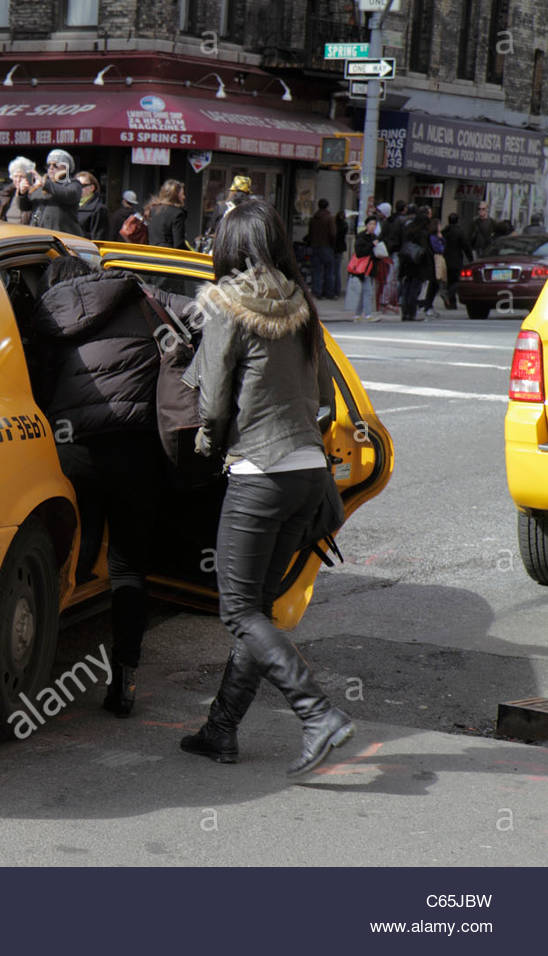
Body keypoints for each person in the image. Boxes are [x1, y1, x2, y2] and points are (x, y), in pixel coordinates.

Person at [181, 198, 354, 777]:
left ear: (230, 246)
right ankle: (221, 729)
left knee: (238, 613)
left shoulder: (224, 303)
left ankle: (317, 713)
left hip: (259, 474)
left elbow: (209, 401)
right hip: (309, 474)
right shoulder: (303, 304)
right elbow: (326, 397)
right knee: (257, 612)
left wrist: (208, 444)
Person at [31, 256, 190, 718]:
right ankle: (124, 680)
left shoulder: (46, 318)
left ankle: (38, 669)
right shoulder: (141, 298)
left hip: (68, 451)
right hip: (133, 454)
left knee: (60, 560)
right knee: (127, 568)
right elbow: (205, 317)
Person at [18, 148, 83, 235]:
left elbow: (69, 194)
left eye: (56, 165)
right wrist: (23, 193)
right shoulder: (42, 184)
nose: (51, 168)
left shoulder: (73, 183)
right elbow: (25, 207)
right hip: (40, 235)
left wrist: (45, 184)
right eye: (48, 165)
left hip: (62, 237)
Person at [345, 214, 381, 323]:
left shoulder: (374, 237)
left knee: (364, 292)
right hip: (363, 269)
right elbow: (360, 252)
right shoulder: (361, 237)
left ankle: (357, 315)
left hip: (370, 267)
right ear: (366, 225)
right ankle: (368, 315)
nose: (372, 226)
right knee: (368, 292)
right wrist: (372, 245)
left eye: (374, 224)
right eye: (370, 224)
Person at [398, 209, 432, 321]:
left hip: (407, 263)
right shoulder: (423, 234)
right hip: (418, 264)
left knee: (407, 288)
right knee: (414, 289)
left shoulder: (408, 230)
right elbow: (425, 250)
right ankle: (411, 312)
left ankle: (405, 312)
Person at [144, 179, 189, 250]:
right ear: (175, 195)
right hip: (168, 256)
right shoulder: (178, 213)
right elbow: (179, 244)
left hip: (152, 254)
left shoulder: (152, 210)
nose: (184, 197)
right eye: (182, 194)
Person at [441, 212, 472, 310]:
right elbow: (466, 246)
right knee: (457, 280)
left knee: (450, 280)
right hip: (456, 259)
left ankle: (451, 302)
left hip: (446, 259)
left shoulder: (444, 232)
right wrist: (471, 259)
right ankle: (449, 294)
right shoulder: (459, 232)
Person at [307, 198, 336, 299]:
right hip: (327, 246)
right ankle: (329, 292)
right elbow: (333, 234)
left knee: (317, 270)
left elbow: (310, 234)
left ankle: (317, 291)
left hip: (315, 246)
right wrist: (333, 245)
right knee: (329, 271)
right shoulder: (329, 218)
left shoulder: (313, 218)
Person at [0, 156, 36, 224]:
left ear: (28, 177)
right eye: (15, 176)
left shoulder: (34, 195)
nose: (18, 180)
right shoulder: (5, 194)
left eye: (21, 176)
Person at [419, 217, 445, 317]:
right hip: (433, 262)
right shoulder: (433, 237)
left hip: (434, 262)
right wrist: (441, 239)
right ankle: (427, 306)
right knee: (432, 285)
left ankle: (428, 305)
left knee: (435, 285)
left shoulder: (434, 236)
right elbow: (439, 248)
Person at [75, 172, 111, 241]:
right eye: (76, 185)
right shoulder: (70, 205)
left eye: (82, 185)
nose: (78, 188)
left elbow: (99, 237)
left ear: (92, 188)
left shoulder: (99, 209)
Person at [331, 209, 348, 300]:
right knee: (336, 271)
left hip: (334, 248)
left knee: (333, 271)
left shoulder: (335, 225)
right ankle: (336, 291)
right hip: (340, 249)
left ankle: (333, 290)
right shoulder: (344, 225)